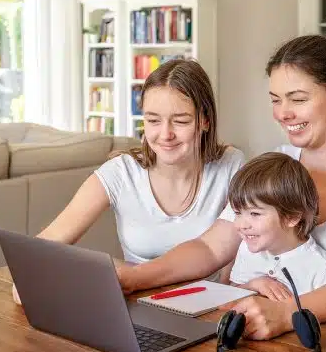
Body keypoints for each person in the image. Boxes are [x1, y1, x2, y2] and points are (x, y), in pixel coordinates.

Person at [116, 34, 326, 338]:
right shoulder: (279, 161)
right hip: (304, 338)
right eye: (276, 100)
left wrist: (288, 312)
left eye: (298, 99)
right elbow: (212, 247)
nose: (283, 113)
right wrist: (136, 277)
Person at [12, 59, 244, 304]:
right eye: (153, 120)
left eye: (181, 121)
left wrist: (133, 275)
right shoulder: (120, 173)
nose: (165, 134)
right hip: (138, 304)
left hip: (208, 306)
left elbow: (219, 250)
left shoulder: (231, 165)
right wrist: (27, 274)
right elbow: (51, 239)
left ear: (205, 120)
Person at [224, 152, 326, 300]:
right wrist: (255, 285)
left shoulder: (322, 270)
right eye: (237, 213)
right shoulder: (247, 247)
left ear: (292, 217)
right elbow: (232, 295)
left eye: (255, 214)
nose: (241, 225)